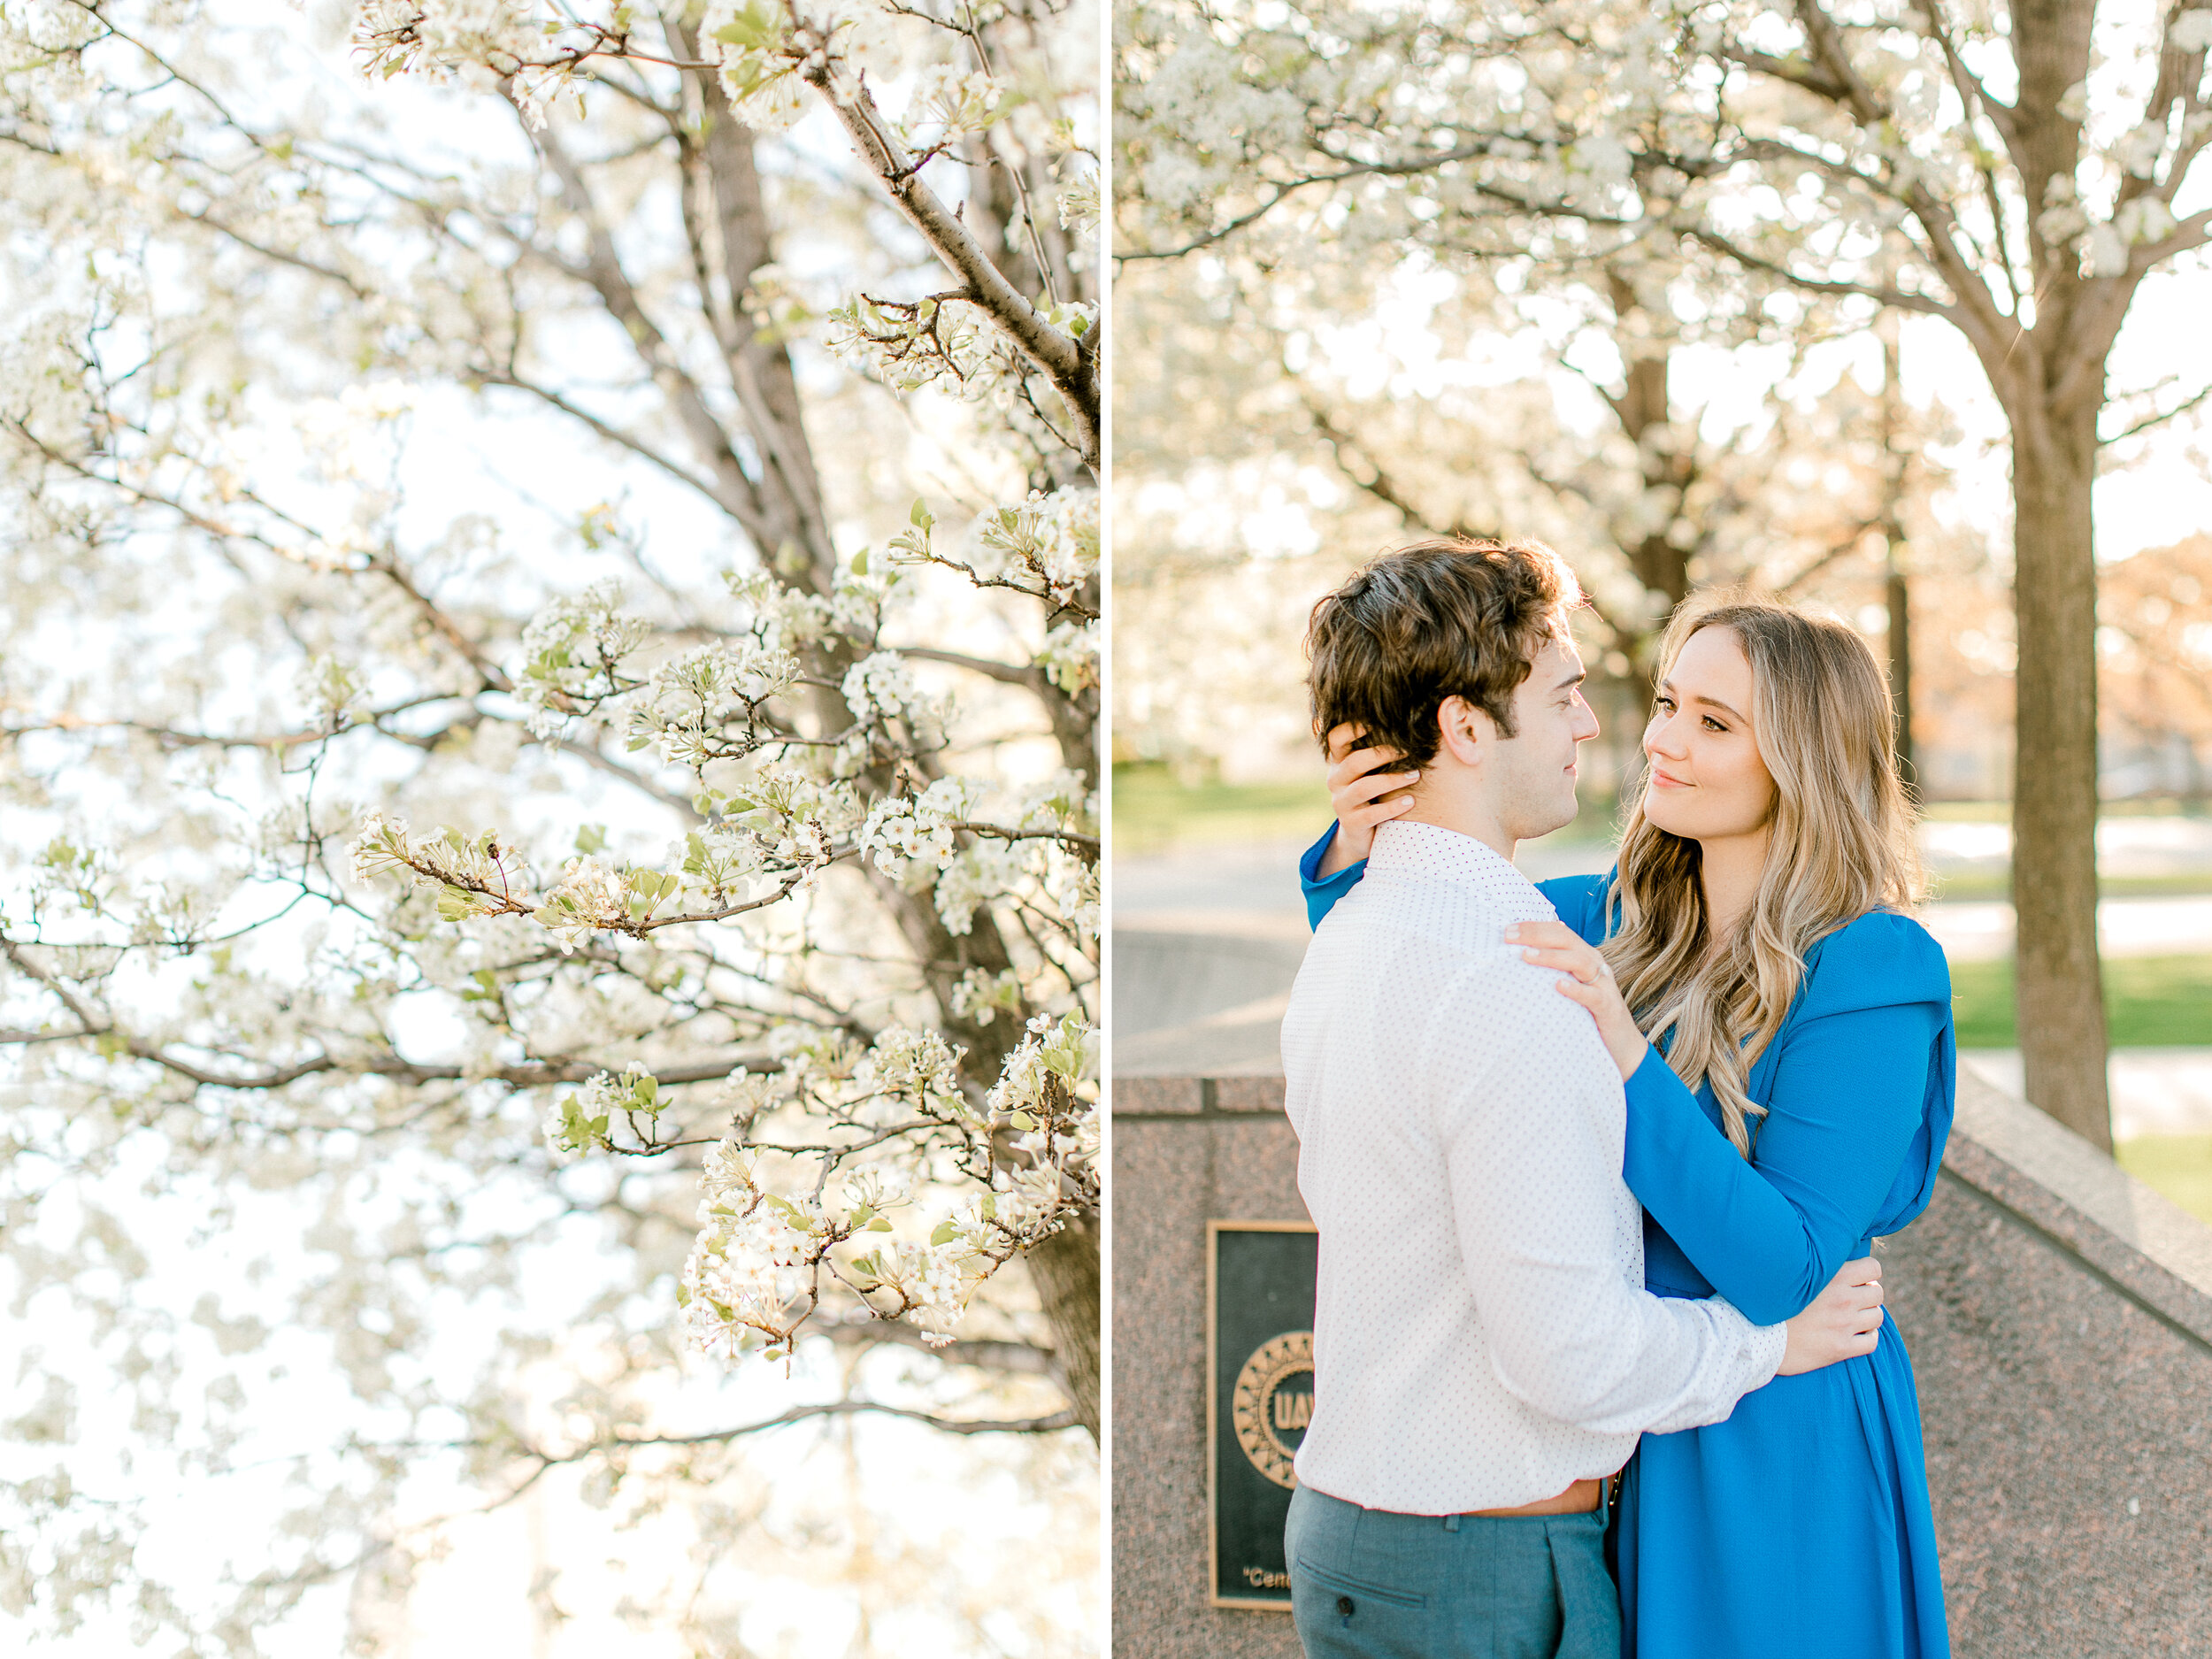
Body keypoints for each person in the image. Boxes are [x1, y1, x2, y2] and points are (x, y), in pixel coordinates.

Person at [1302, 567, 1955, 1659]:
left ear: (1800, 759)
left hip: (1775, 1444)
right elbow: (1416, 956)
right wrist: (1360, 844)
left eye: (1712, 722)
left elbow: (1788, 1263)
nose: (1660, 739)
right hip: (1627, 1421)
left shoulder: (1871, 969)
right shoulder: (1611, 917)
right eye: (1664, 703)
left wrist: (1624, 1057)